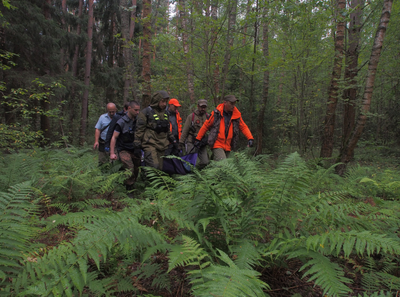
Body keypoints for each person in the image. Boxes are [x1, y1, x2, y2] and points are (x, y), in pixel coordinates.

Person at [195, 95, 254, 161]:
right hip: (217, 143)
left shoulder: (236, 115)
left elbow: (243, 127)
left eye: (234, 104)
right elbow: (206, 126)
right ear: (225, 103)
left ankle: (211, 164)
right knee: (224, 164)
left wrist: (250, 138)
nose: (233, 106)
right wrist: (198, 139)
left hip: (228, 146)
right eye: (231, 103)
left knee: (223, 165)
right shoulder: (216, 113)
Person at [133, 91, 178, 170]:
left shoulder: (166, 113)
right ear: (157, 100)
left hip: (162, 144)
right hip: (150, 143)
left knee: (159, 169)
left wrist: (173, 140)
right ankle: (147, 180)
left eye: (166, 102)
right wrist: (137, 144)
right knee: (154, 166)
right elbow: (139, 129)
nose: (164, 104)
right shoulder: (146, 112)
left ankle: (149, 179)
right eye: (162, 101)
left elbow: (167, 129)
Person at [109, 101, 141, 189]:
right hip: (124, 149)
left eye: (138, 110)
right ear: (129, 109)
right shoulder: (121, 122)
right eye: (135, 110)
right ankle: (128, 187)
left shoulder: (139, 121)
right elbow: (114, 137)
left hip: (135, 149)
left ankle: (132, 184)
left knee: (136, 169)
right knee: (129, 168)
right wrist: (112, 153)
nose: (137, 112)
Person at [179, 99, 210, 168]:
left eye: (204, 107)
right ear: (198, 106)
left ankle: (199, 174)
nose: (203, 109)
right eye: (202, 107)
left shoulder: (208, 117)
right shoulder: (191, 117)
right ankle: (190, 176)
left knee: (205, 162)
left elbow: (212, 130)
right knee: (190, 163)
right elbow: (185, 131)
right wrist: (181, 143)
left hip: (202, 142)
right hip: (191, 142)